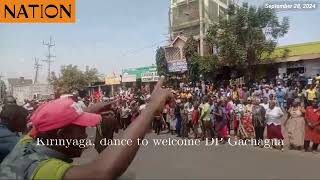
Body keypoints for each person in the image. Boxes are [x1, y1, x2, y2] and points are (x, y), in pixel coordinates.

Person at [0, 77, 172, 180]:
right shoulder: (40, 169)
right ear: (61, 134)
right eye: (81, 129)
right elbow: (102, 173)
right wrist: (150, 108)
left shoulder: (27, 142)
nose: (85, 136)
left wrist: (94, 108)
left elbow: (44, 122)